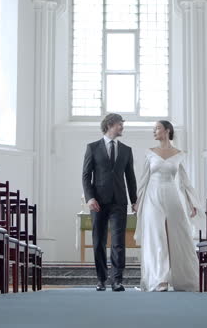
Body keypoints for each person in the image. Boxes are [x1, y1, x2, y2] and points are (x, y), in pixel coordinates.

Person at [134, 120, 205, 292]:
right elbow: (144, 179)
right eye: (154, 129)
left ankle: (183, 279)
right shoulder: (150, 153)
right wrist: (138, 200)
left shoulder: (179, 154)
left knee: (178, 235)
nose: (154, 132)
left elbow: (184, 181)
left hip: (172, 195)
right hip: (152, 195)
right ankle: (160, 279)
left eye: (157, 128)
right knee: (156, 235)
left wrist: (191, 203)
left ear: (167, 131)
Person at [82, 113, 137, 292]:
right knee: (98, 241)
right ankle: (101, 279)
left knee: (118, 241)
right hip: (97, 202)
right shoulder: (92, 147)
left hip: (119, 202)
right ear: (110, 124)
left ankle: (117, 280)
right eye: (120, 124)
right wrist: (90, 197)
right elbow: (86, 176)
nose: (122, 127)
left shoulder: (126, 150)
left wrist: (135, 201)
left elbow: (130, 178)